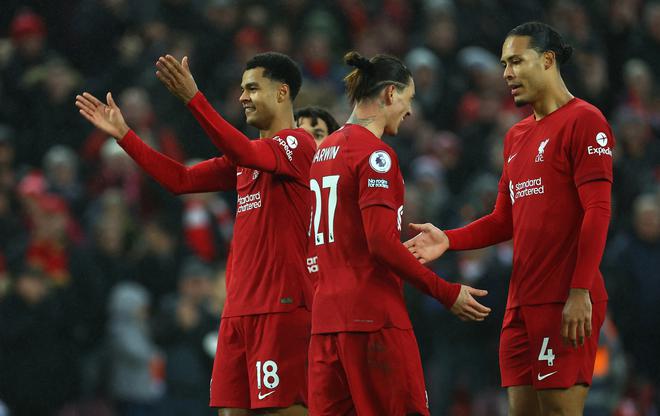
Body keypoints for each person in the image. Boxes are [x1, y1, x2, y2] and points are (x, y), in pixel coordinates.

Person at [76, 52, 316, 415]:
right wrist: (126, 136)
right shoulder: (245, 162)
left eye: (252, 88)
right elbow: (181, 180)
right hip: (237, 311)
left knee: (283, 410)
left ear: (282, 93)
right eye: (241, 89)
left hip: (280, 309)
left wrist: (194, 99)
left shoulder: (299, 145)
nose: (242, 97)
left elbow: (242, 150)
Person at [404, 22, 614, 416]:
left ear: (548, 60)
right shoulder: (516, 136)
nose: (506, 74)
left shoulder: (585, 121)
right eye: (504, 64)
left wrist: (580, 291)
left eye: (517, 61)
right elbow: (504, 220)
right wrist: (449, 239)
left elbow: (598, 211)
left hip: (564, 297)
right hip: (520, 304)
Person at [307, 51, 491, 415]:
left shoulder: (323, 150)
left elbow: (351, 239)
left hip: (326, 323)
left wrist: (396, 249)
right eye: (408, 100)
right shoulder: (376, 155)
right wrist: (446, 292)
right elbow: (378, 244)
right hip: (373, 319)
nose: (409, 112)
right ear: (390, 94)